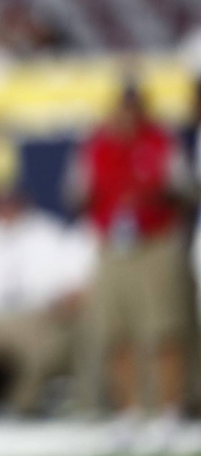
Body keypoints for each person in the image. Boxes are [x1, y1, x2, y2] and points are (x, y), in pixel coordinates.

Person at [66, 83, 193, 450]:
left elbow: (184, 189)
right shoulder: (96, 145)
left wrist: (151, 196)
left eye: (133, 108)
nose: (126, 116)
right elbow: (75, 194)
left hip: (155, 243)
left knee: (163, 331)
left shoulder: (161, 142)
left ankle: (168, 411)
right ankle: (130, 412)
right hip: (112, 246)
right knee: (116, 333)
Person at [0, 137, 95, 415]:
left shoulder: (48, 233)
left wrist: (63, 302)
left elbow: (74, 284)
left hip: (35, 319)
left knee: (43, 351)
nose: (5, 208)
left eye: (10, 200)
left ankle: (22, 410)